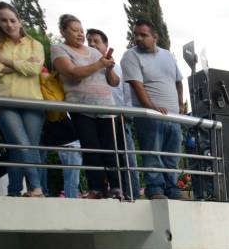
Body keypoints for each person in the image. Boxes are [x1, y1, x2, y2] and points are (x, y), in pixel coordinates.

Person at [51, 14, 121, 198]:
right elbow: (73, 73)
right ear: (63, 31)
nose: (80, 34)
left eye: (81, 30)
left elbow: (114, 82)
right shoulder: (59, 49)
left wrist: (109, 67)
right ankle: (97, 188)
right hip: (81, 108)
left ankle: (116, 187)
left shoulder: (96, 53)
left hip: (106, 106)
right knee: (91, 149)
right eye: (74, 30)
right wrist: (99, 64)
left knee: (110, 150)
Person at [0, 1, 45, 197]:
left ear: (19, 21)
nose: (9, 25)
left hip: (33, 101)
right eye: (4, 20)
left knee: (25, 148)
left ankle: (14, 190)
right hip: (6, 100)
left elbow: (35, 69)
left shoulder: (35, 44)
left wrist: (7, 62)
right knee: (21, 144)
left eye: (12, 20)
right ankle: (36, 187)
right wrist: (22, 66)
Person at [121, 19, 184, 200]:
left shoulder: (167, 55)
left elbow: (178, 81)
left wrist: (180, 104)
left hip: (173, 117)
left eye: (143, 35)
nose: (138, 38)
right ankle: (155, 189)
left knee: (172, 157)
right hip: (150, 116)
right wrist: (151, 107)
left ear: (154, 37)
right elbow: (137, 85)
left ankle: (172, 189)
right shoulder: (131, 56)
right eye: (136, 35)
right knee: (152, 154)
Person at [86, 28, 140, 199]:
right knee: (101, 159)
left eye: (96, 41)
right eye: (89, 41)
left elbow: (126, 93)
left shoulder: (118, 68)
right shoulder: (87, 67)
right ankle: (105, 193)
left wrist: (126, 117)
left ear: (106, 44)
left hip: (119, 119)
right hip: (97, 121)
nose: (92, 44)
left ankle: (131, 195)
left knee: (126, 160)